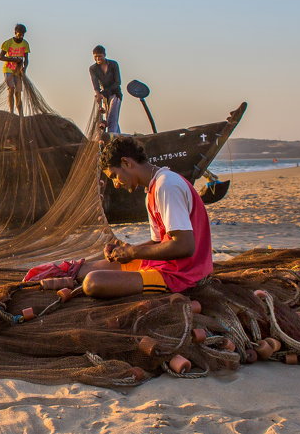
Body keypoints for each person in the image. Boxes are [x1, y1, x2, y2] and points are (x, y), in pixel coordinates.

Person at [72, 136, 213, 298]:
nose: (116, 185)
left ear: (126, 163)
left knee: (93, 282)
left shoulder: (167, 185)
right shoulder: (152, 190)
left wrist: (134, 253)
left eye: (114, 176)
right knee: (86, 269)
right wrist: (125, 249)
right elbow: (159, 242)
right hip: (167, 265)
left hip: (183, 275)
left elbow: (185, 246)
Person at [89, 45, 122, 134]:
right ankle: (118, 136)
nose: (98, 58)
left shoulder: (113, 64)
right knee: (108, 117)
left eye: (100, 56)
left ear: (104, 55)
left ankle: (112, 137)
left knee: (112, 118)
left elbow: (118, 82)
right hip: (104, 96)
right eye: (96, 57)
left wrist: (104, 93)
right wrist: (98, 94)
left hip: (115, 94)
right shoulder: (93, 68)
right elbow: (95, 83)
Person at [0, 24, 30, 115]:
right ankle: (11, 112)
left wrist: (25, 68)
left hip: (18, 71)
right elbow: (0, 57)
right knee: (11, 88)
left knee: (18, 92)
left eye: (23, 35)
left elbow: (26, 59)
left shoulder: (25, 44)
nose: (21, 36)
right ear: (15, 33)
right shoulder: (8, 43)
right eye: (20, 34)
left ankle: (20, 114)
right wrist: (13, 59)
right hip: (8, 69)